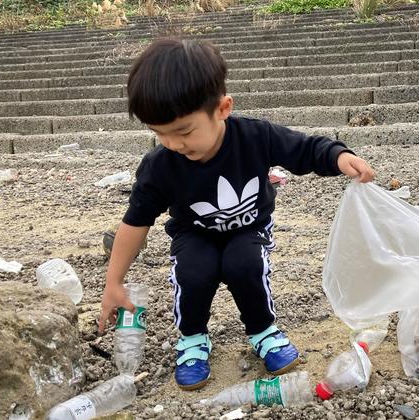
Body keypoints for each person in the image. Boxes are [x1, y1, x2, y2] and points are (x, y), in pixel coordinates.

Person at [97, 38, 375, 391]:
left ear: (223, 108)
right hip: (193, 232)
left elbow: (305, 149)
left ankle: (262, 330)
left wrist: (339, 156)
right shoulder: (159, 166)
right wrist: (114, 281)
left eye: (183, 132)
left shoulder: (255, 137)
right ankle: (193, 339)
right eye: (159, 134)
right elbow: (136, 221)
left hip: (249, 227)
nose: (174, 145)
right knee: (193, 272)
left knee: (245, 264)